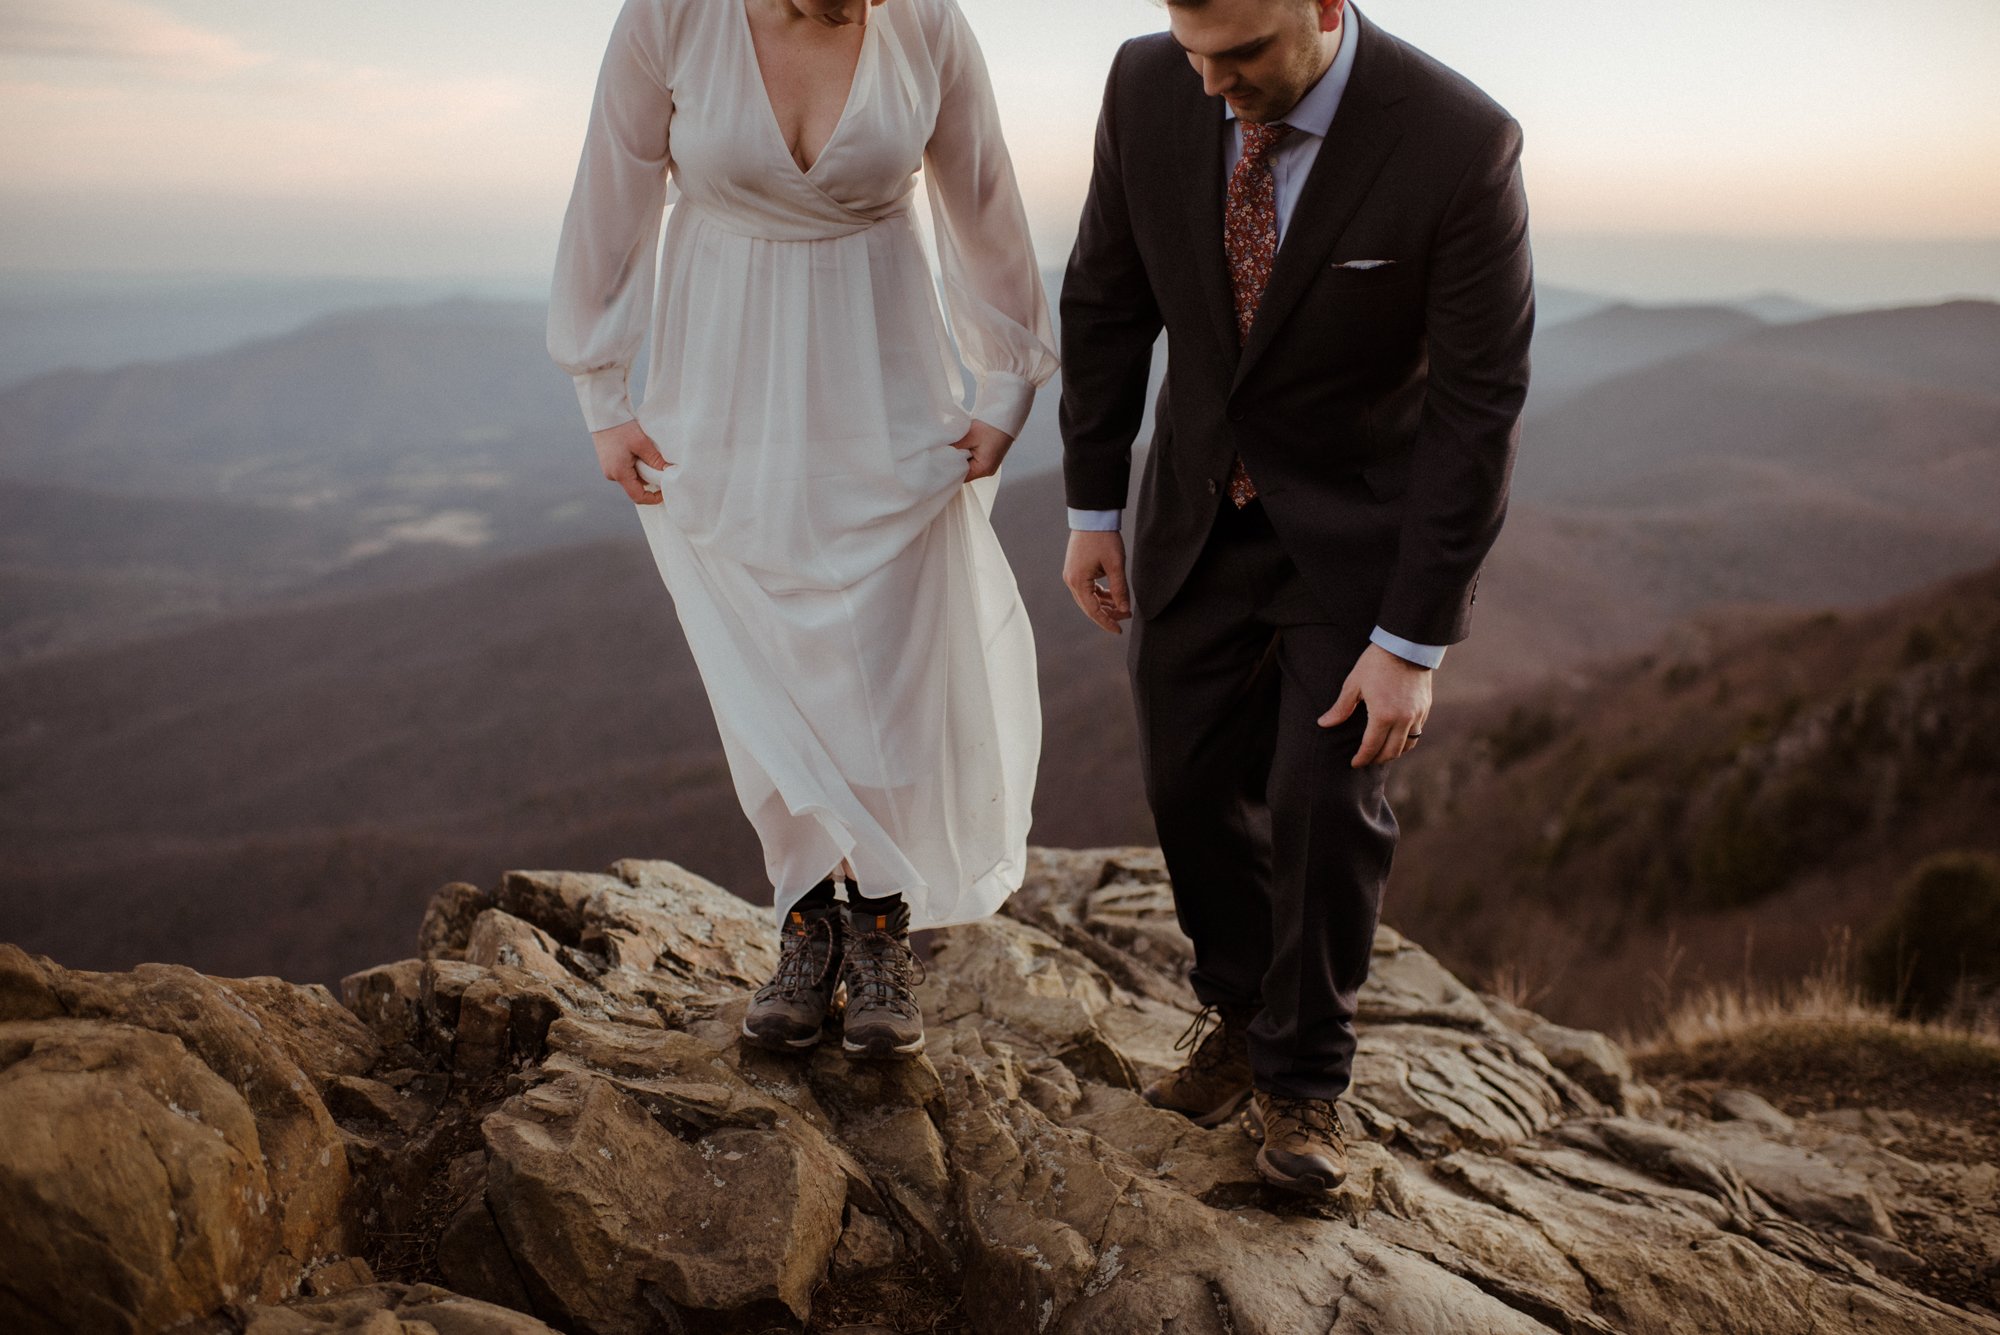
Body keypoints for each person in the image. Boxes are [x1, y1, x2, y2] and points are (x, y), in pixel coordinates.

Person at [1058, 0, 1532, 1192]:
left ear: (1325, 8)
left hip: (1355, 536)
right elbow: (1105, 300)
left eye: (1242, 57)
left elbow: (1475, 414)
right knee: (1183, 778)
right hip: (1190, 514)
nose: (1211, 84)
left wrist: (1413, 638)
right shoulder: (1144, 81)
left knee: (1320, 796)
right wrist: (1091, 507)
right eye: (1192, 52)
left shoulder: (1457, 141)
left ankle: (1303, 1085)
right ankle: (1238, 1014)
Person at [547, 0, 1056, 1060]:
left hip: (882, 377)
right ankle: (805, 922)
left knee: (885, 651)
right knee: (761, 654)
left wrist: (1008, 377)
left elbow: (984, 194)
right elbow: (613, 187)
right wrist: (602, 388)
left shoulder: (924, 26)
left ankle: (877, 924)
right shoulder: (672, 18)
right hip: (721, 383)